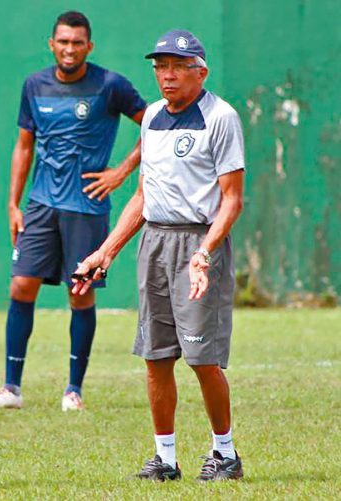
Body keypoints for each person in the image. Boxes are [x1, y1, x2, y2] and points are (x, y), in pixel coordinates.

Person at [72, 30, 245, 481]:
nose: (166, 76)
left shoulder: (220, 117)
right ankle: (166, 459)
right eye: (159, 67)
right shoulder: (150, 117)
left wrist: (205, 252)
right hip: (155, 243)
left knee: (202, 357)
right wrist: (104, 252)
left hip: (198, 243)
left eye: (176, 66)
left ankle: (225, 453)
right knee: (156, 356)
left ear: (200, 71)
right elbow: (144, 196)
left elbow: (232, 200)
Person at [0, 11, 146, 411]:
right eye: (63, 42)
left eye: (77, 42)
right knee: (21, 285)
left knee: (79, 293)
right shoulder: (34, 85)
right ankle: (11, 389)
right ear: (51, 45)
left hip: (86, 207)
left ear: (89, 46)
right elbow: (23, 147)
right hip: (40, 206)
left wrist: (121, 172)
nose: (70, 49)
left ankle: (74, 390)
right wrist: (13, 204)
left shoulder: (110, 85)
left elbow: (153, 124)